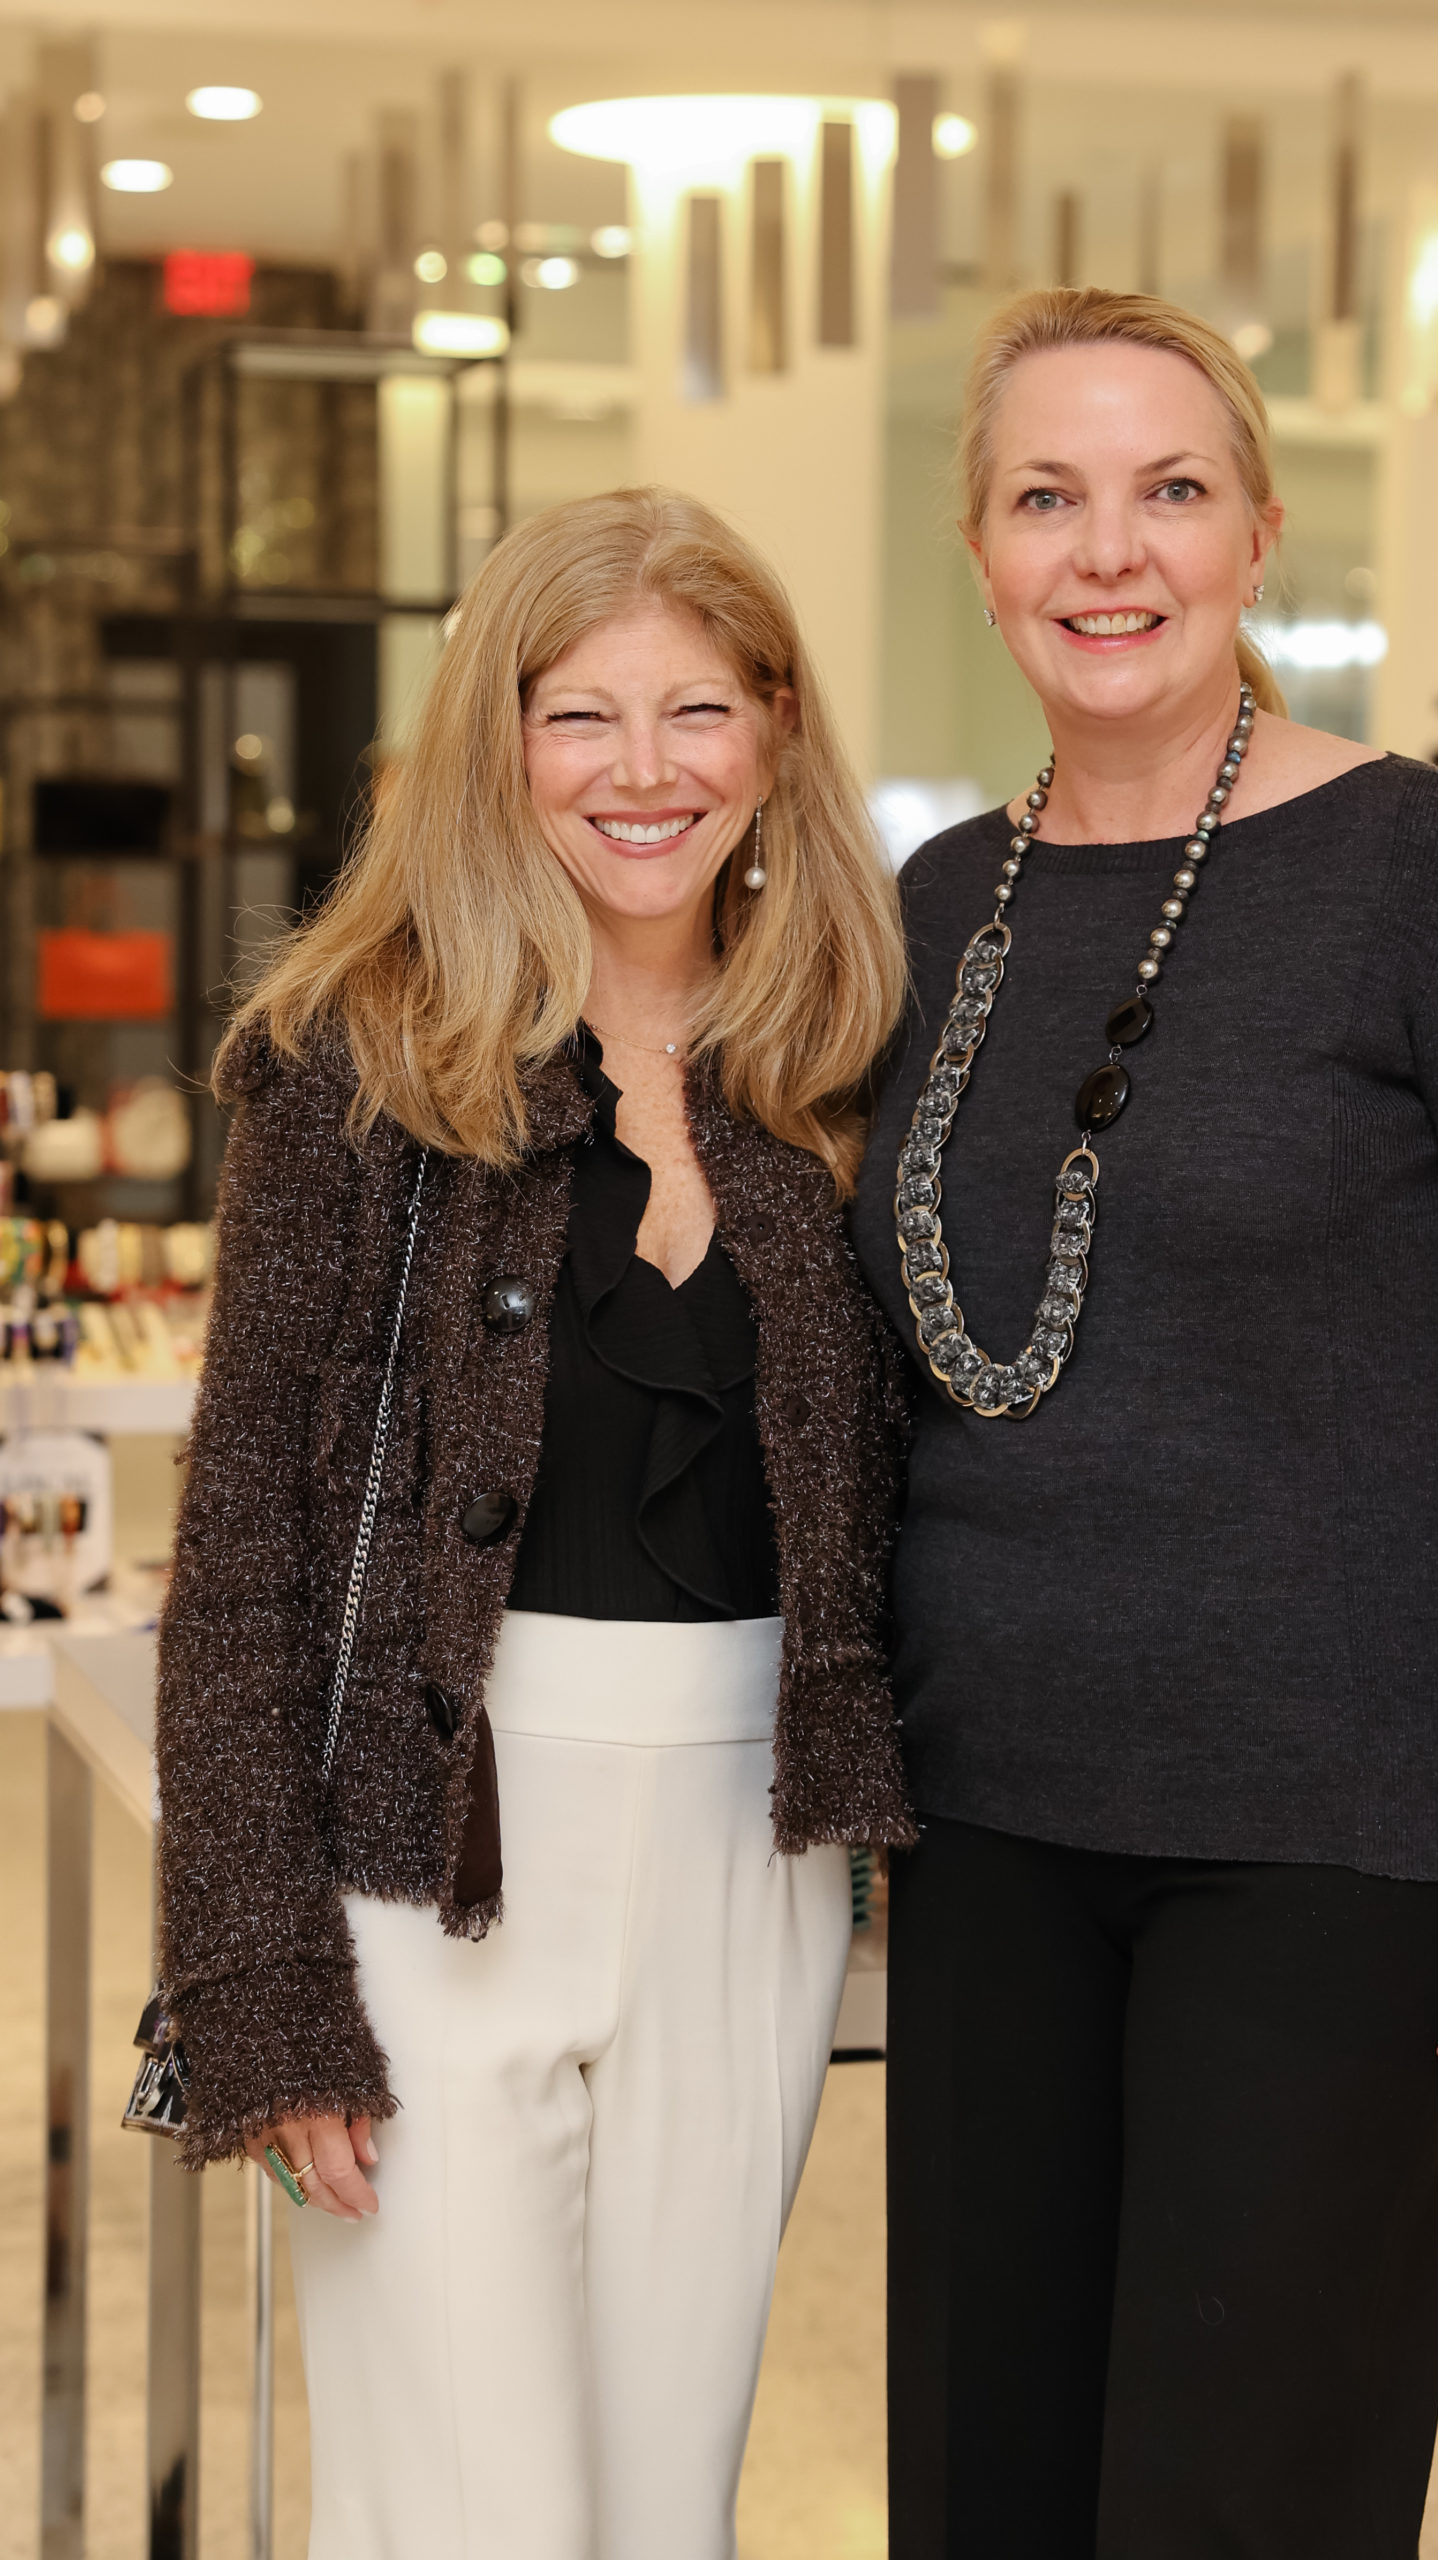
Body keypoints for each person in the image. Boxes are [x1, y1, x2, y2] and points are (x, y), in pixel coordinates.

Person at [850, 288, 1438, 2559]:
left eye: (1168, 490)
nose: (1106, 550)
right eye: (1047, 496)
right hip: (983, 1817)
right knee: (986, 2487)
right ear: (980, 549)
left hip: (1323, 1829)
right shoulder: (935, 905)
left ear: (1254, 532)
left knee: (1243, 2501)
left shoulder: (1427, 866)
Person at [153, 488, 918, 2560]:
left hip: (753, 1870)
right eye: (579, 714)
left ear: (776, 727)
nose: (642, 769)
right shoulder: (350, 1058)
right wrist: (257, 1973)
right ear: (495, 740)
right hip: (428, 1866)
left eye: (696, 709)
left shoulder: (851, 1064)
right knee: (464, 2513)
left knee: (666, 2511)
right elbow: (242, 1555)